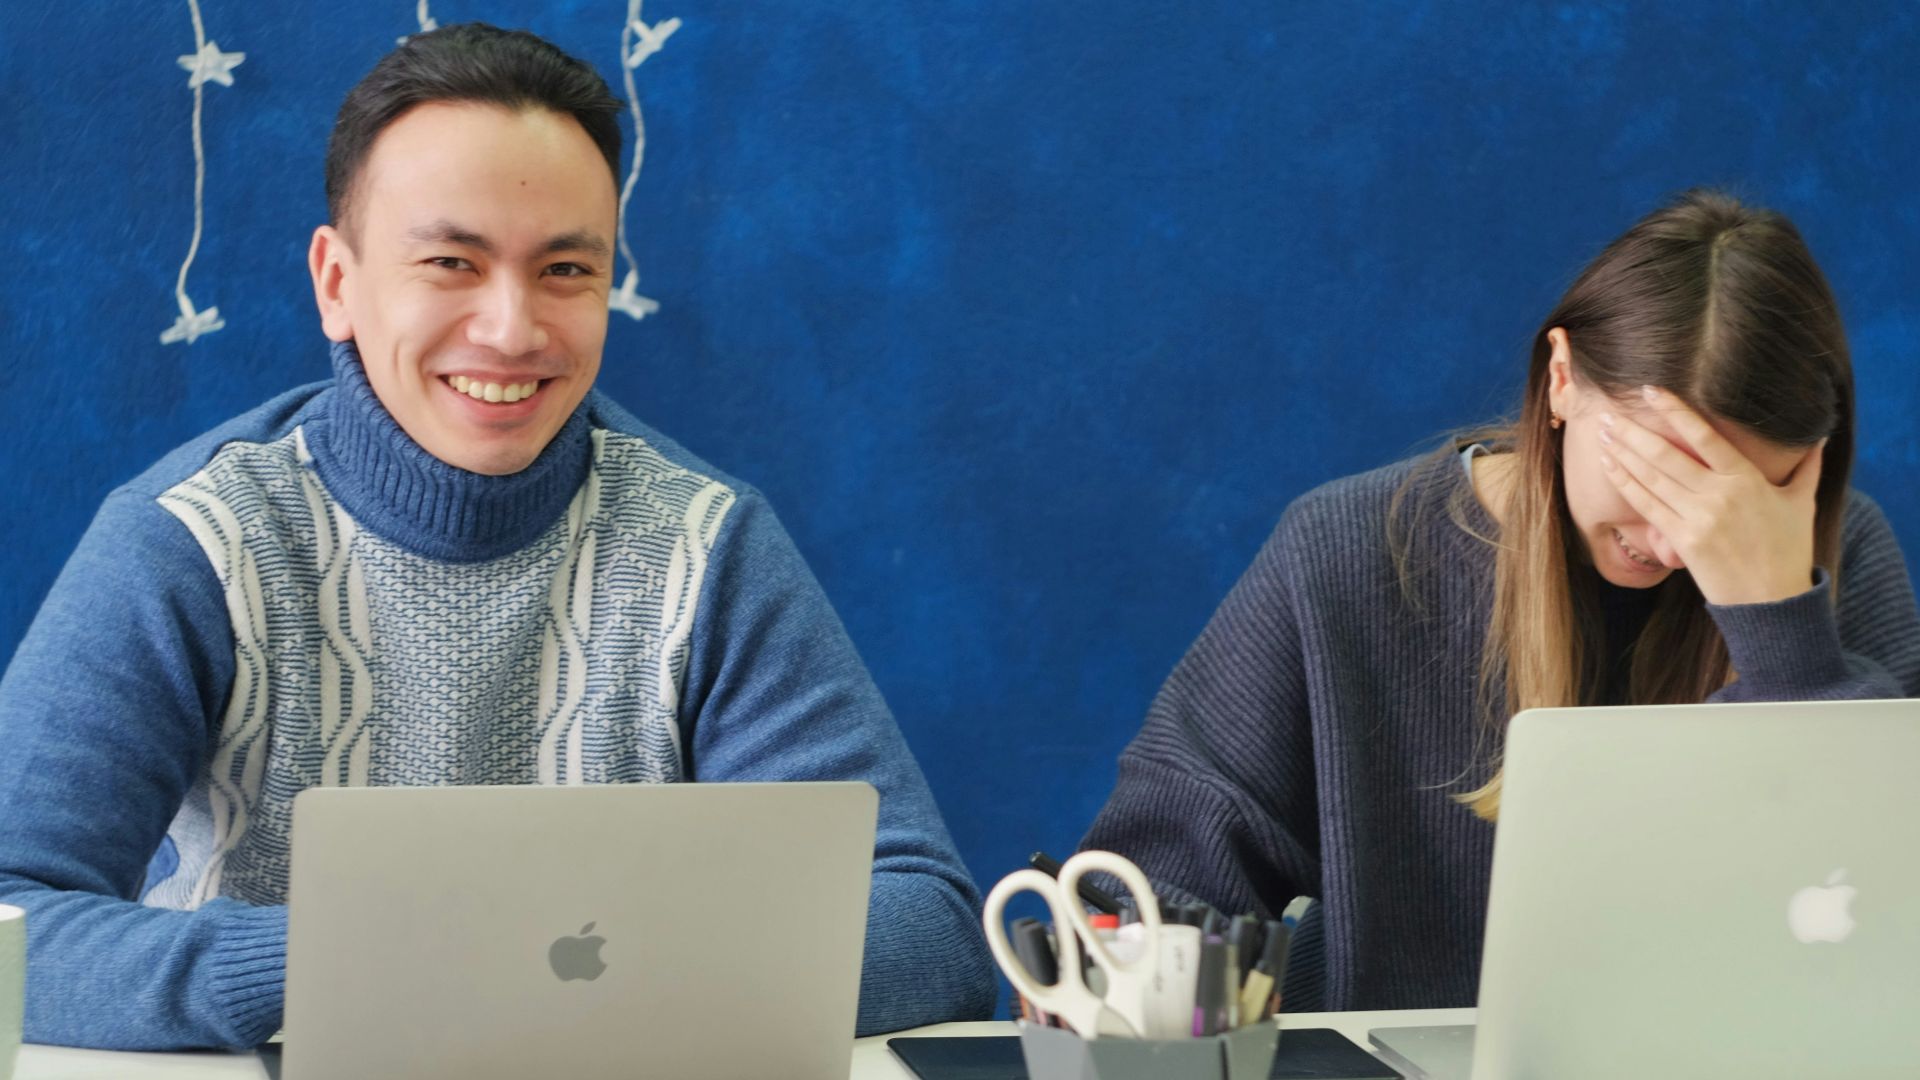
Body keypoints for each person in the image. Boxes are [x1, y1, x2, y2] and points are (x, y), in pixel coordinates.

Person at [0, 23, 993, 1050]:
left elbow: (928, 926)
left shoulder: (707, 544)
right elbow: (9, 915)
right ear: (336, 283)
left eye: (565, 270)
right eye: (450, 261)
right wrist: (354, 965)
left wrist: (530, 974)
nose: (512, 330)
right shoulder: (193, 539)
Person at [1080, 189, 1920, 1013]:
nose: (1677, 545)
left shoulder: (1834, 554)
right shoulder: (1346, 551)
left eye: (1743, 500)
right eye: (1655, 476)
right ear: (1562, 381)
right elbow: (1138, 900)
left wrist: (1779, 625)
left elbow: (1886, 919)